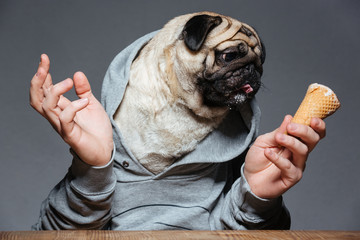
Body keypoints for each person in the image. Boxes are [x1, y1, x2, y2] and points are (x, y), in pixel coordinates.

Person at [30, 48, 325, 230]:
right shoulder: (105, 155)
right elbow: (52, 233)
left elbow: (258, 229)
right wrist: (93, 169)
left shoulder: (239, 169)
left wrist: (256, 198)